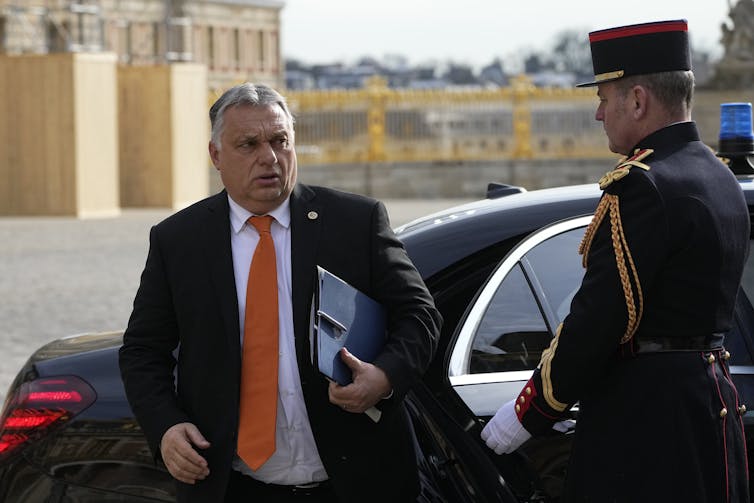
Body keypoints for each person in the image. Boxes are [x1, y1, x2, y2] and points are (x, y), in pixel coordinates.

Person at [118, 82, 442, 503]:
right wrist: (165, 426)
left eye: (279, 141)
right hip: (233, 485)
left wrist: (383, 378)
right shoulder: (178, 241)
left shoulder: (354, 222)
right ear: (216, 155)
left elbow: (420, 315)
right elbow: (143, 350)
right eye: (248, 144)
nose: (268, 157)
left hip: (357, 480)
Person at [481, 19, 750, 502]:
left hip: (648, 425)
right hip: (708, 404)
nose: (599, 114)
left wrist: (527, 415)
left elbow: (597, 321)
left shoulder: (643, 186)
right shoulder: (717, 174)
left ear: (639, 100)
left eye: (604, 98)